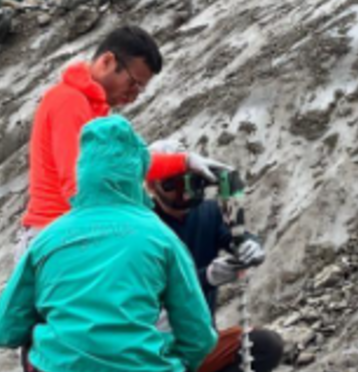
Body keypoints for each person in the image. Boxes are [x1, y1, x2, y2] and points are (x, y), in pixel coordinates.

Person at [0, 114, 222, 372]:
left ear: (83, 173)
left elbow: (2, 330)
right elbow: (199, 335)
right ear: (138, 175)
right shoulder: (161, 238)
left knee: (35, 334)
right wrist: (174, 368)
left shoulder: (49, 237)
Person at [18, 23, 225, 250]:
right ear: (107, 61)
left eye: (140, 89)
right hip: (57, 237)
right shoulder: (70, 101)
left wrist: (184, 162)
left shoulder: (95, 110)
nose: (134, 96)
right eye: (133, 84)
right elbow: (78, 183)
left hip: (71, 231)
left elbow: (127, 163)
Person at [149, 163, 284, 372]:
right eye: (171, 184)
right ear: (151, 186)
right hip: (151, 348)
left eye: (189, 182)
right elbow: (153, 293)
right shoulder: (143, 227)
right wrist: (206, 277)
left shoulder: (207, 213)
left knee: (265, 345)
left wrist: (248, 245)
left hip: (199, 340)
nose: (182, 192)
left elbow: (233, 235)